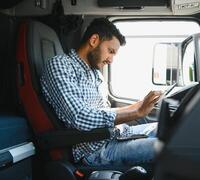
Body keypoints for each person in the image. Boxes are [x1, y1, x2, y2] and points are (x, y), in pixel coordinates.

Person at [40, 18, 162, 167]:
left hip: (117, 134)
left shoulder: (95, 74)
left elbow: (105, 111)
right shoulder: (61, 65)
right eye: (110, 51)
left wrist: (139, 105)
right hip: (96, 150)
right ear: (94, 40)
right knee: (166, 148)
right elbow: (79, 117)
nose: (111, 60)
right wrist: (136, 113)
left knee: (167, 129)